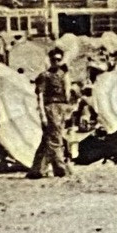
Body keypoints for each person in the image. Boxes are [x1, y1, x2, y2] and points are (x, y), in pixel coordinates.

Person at [29, 48, 76, 179]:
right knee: (55, 138)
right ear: (50, 60)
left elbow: (67, 93)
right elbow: (40, 96)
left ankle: (37, 169)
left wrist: (68, 109)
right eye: (54, 59)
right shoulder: (45, 76)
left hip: (62, 107)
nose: (56, 62)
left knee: (48, 139)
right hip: (50, 107)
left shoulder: (63, 74)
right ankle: (60, 168)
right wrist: (42, 114)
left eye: (59, 59)